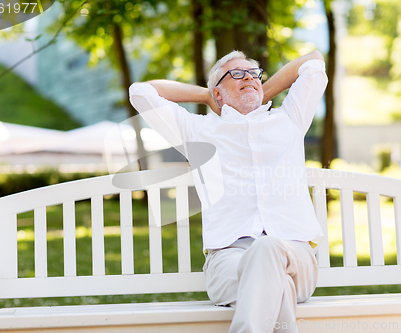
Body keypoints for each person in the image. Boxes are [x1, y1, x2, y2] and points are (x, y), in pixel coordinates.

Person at [129, 49, 328, 332]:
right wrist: (205, 95)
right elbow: (141, 92)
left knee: (268, 248)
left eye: (253, 73)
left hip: (293, 256)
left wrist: (261, 90)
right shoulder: (198, 131)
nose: (247, 77)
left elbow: (314, 61)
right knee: (274, 282)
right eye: (236, 74)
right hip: (228, 260)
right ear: (218, 93)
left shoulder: (290, 119)